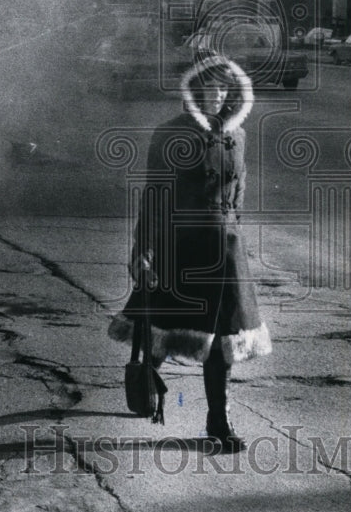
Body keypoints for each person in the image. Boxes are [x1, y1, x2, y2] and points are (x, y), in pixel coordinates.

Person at [108, 54, 272, 452]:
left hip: (225, 251)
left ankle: (219, 421)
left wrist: (234, 230)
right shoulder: (169, 134)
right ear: (193, 91)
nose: (217, 94)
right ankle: (147, 373)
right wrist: (142, 249)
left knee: (222, 339)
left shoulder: (240, 136)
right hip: (180, 246)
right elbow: (155, 195)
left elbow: (240, 190)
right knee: (165, 326)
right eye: (209, 86)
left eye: (223, 87)